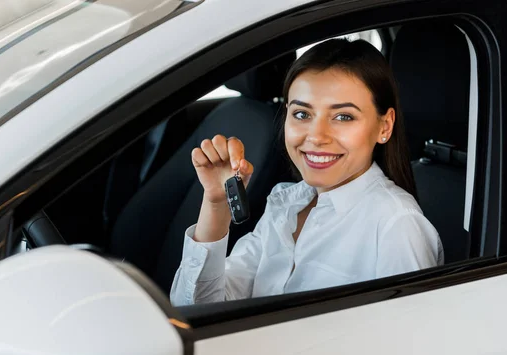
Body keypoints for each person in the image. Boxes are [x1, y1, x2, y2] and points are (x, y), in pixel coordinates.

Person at [170, 39, 443, 306]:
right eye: (302, 114)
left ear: (384, 126)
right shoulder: (284, 204)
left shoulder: (397, 226)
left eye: (343, 117)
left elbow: (407, 343)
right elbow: (196, 309)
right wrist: (217, 204)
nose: (316, 136)